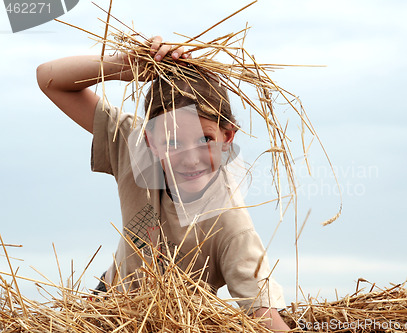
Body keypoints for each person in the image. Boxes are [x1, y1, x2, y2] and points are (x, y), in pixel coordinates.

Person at [36, 36, 290, 332]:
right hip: (109, 308)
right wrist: (126, 65)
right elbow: (49, 79)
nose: (190, 158)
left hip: (173, 323)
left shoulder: (231, 225)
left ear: (227, 137)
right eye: (171, 142)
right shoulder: (135, 151)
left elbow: (263, 314)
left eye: (205, 139)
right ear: (150, 142)